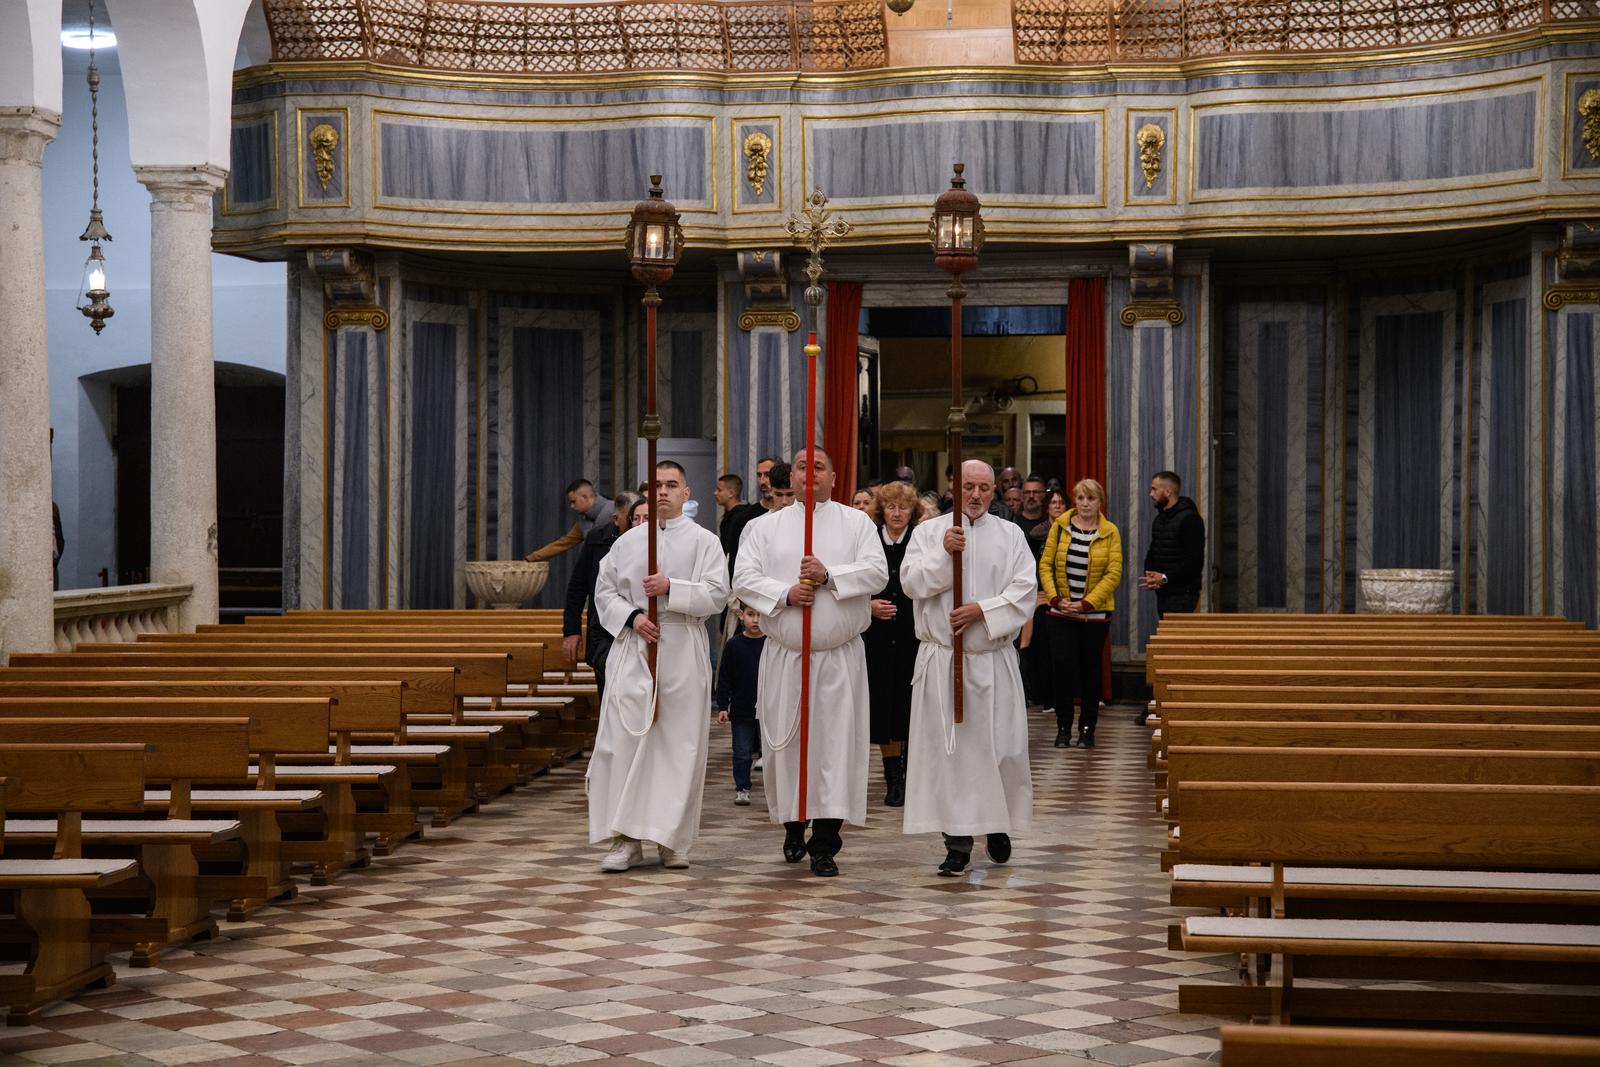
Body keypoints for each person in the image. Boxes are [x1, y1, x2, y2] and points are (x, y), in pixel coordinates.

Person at [733, 447, 887, 878]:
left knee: (833, 749)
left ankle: (825, 842)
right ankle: (792, 823)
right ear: (792, 477)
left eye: (819, 467)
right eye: (802, 467)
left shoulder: (856, 523)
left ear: (834, 477)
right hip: (786, 656)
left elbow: (877, 573)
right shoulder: (763, 528)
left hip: (838, 659)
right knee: (788, 746)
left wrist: (829, 576)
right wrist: (785, 594)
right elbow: (743, 577)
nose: (810, 474)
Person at [587, 462, 728, 872]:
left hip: (682, 642)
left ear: (686, 493)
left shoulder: (705, 542)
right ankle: (624, 839)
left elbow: (718, 594)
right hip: (635, 647)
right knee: (623, 741)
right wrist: (632, 617)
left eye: (672, 485)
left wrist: (673, 589)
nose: (663, 492)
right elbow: (605, 592)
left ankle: (673, 839)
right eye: (656, 487)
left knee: (678, 745)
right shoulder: (628, 543)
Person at [901, 460, 1036, 876]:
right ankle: (956, 841)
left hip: (991, 660)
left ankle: (996, 825)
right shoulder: (928, 532)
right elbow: (909, 583)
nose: (975, 496)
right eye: (968, 487)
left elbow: (1025, 589)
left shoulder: (1011, 534)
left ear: (994, 492)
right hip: (944, 660)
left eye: (984, 488)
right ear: (952, 488)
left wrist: (982, 609)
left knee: (1001, 749)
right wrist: (945, 554)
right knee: (953, 755)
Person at [1038, 479, 1122, 749]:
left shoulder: (1110, 532)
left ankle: (1087, 729)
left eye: (1091, 499)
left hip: (1094, 615)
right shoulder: (1061, 527)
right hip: (1060, 611)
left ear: (1100, 502)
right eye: (1081, 498)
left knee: (1089, 671)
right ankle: (1063, 728)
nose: (1085, 504)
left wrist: (1087, 603)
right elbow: (1046, 565)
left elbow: (1113, 574)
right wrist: (1054, 597)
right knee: (1062, 666)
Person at [863, 479, 919, 808]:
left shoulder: (919, 539)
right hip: (878, 636)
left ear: (913, 511)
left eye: (904, 507)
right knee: (884, 705)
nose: (897, 513)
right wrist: (868, 607)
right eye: (891, 507)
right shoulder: (871, 540)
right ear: (882, 511)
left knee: (911, 704)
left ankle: (910, 771)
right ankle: (892, 777)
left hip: (913, 634)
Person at [563, 490, 642, 712]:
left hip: (640, 631)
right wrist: (571, 629)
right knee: (609, 699)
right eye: (633, 518)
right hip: (604, 631)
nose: (639, 524)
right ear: (617, 518)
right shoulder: (597, 539)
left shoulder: (652, 541)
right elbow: (578, 585)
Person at [715, 602, 764, 805]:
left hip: (767, 709)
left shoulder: (772, 644)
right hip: (741, 710)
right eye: (751, 614)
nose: (756, 620)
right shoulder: (733, 646)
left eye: (760, 615)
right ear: (741, 615)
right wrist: (723, 706)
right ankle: (742, 787)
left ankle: (776, 788)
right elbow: (725, 678)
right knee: (742, 752)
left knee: (771, 753)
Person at [525, 478, 616, 562]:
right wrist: (529, 559)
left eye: (573, 501)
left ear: (585, 497)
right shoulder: (583, 523)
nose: (571, 506)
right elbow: (562, 544)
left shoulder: (615, 510)